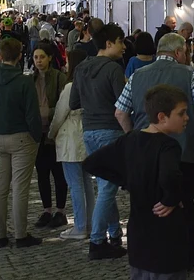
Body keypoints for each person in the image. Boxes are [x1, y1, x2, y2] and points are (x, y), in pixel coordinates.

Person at [85, 84, 193, 280]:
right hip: (166, 238)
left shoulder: (130, 139)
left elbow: (93, 162)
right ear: (162, 117)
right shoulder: (168, 146)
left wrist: (129, 180)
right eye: (181, 113)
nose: (187, 118)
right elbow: (169, 176)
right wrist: (171, 199)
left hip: (139, 237)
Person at [115, 32, 194, 267]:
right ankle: (185, 254)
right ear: (179, 52)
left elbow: (120, 112)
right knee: (184, 204)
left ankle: (149, 253)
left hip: (145, 154)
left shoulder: (137, 75)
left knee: (147, 204)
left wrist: (134, 138)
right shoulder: (190, 74)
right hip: (183, 153)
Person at [69, 23, 129, 260]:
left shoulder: (81, 68)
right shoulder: (113, 69)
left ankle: (114, 235)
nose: (124, 47)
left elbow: (74, 102)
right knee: (107, 188)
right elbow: (123, 103)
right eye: (121, 42)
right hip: (110, 131)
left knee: (106, 184)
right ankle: (96, 241)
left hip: (89, 130)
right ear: (109, 44)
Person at [0, 37, 43, 249]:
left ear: (0, 56)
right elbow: (32, 114)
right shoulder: (25, 81)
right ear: (19, 55)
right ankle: (20, 234)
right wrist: (37, 136)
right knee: (19, 187)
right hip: (21, 137)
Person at [51, 48, 96, 240]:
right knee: (86, 184)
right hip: (85, 136)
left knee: (76, 184)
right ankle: (91, 222)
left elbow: (60, 114)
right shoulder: (91, 83)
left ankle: (80, 225)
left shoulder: (71, 87)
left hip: (70, 138)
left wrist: (51, 133)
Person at [32, 41, 70, 229]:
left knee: (58, 173)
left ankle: (60, 210)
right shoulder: (30, 79)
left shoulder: (58, 77)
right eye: (36, 57)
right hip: (37, 134)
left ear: (49, 58)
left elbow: (64, 103)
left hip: (54, 133)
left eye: (42, 57)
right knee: (42, 173)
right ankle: (46, 209)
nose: (39, 61)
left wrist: (47, 112)